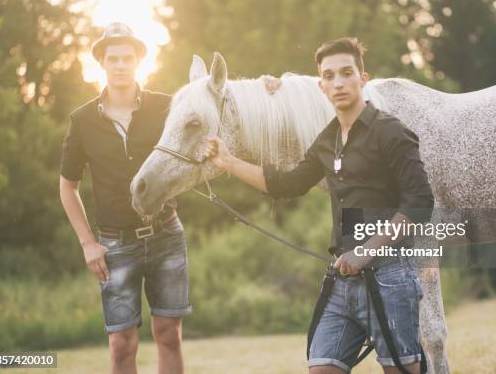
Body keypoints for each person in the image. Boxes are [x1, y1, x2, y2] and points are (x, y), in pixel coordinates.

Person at [59, 22, 280, 374]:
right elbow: (67, 186)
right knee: (121, 344)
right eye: (112, 58)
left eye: (127, 58)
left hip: (166, 235)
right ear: (101, 62)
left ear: (138, 62)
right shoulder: (83, 120)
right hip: (115, 243)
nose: (120, 65)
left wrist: (269, 87)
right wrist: (88, 243)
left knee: (169, 335)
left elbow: (220, 103)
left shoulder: (167, 106)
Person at [204, 37, 434, 374]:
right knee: (323, 368)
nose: (338, 82)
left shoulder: (391, 132)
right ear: (321, 86)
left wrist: (366, 251)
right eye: (329, 76)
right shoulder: (328, 140)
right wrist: (228, 163)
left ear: (363, 78)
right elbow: (289, 184)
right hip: (343, 277)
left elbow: (420, 202)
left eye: (346, 73)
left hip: (389, 275)